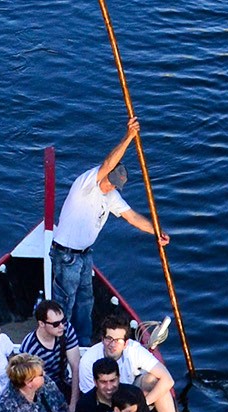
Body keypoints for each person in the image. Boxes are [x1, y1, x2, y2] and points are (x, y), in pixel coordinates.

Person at [50, 116, 169, 350]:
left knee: (85, 300)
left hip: (84, 255)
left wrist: (158, 232)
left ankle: (81, 342)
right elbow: (108, 163)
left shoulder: (111, 195)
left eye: (116, 186)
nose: (111, 187)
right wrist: (129, 136)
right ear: (104, 175)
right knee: (65, 301)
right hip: (66, 255)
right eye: (110, 183)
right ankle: (60, 345)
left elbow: (132, 217)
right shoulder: (88, 183)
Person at [76, 311, 191, 412]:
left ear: (126, 342)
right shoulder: (88, 362)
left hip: (130, 395)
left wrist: (140, 405)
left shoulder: (134, 350)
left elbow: (167, 380)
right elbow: (91, 399)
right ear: (102, 339)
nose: (112, 344)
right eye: (109, 339)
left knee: (155, 381)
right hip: (106, 405)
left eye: (118, 340)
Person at [18, 300, 80, 406]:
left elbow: (76, 367)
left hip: (64, 382)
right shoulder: (30, 348)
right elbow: (27, 384)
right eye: (56, 324)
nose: (62, 326)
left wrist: (73, 404)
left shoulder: (66, 329)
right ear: (41, 323)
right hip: (42, 391)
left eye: (63, 320)